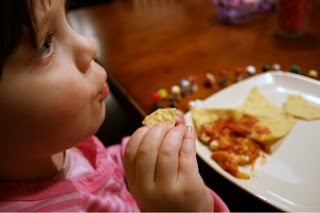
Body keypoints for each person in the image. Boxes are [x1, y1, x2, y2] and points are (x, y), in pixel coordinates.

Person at [0, 0, 229, 211]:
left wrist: (139, 157)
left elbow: (98, 174)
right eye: (45, 45)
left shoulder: (58, 144)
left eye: (66, 19)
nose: (89, 45)